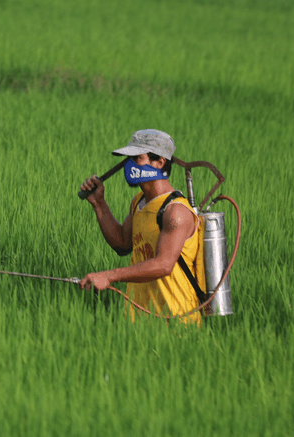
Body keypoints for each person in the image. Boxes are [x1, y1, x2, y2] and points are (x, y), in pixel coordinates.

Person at [78, 129, 206, 324]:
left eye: (137, 158)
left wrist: (109, 276)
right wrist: (99, 204)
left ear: (160, 162)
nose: (129, 165)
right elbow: (122, 244)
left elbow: (163, 265)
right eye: (128, 159)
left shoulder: (175, 212)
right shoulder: (139, 201)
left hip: (174, 320)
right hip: (138, 320)